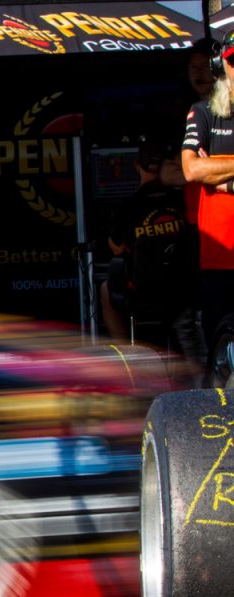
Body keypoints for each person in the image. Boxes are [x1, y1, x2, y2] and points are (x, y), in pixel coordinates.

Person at [99, 138, 203, 364]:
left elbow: (116, 248)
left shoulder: (128, 206)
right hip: (184, 289)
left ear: (137, 165)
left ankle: (126, 355)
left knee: (106, 289)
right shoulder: (182, 200)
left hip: (143, 292)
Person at [181, 30, 234, 351]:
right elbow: (191, 169)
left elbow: (203, 169)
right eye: (232, 62)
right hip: (219, 255)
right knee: (219, 350)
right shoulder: (203, 111)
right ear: (221, 66)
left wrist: (217, 172)